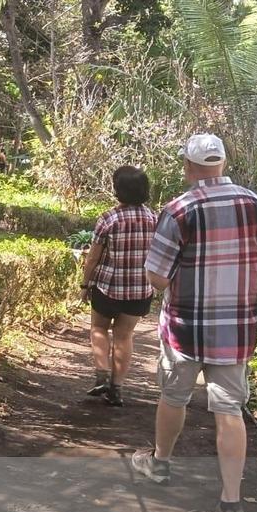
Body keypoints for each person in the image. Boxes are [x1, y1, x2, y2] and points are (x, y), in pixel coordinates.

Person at [131, 133, 257, 512]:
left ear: (188, 167)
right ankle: (232, 504)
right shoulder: (255, 204)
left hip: (185, 328)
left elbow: (158, 279)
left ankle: (160, 464)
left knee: (174, 395)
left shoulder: (179, 210)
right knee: (229, 410)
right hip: (236, 328)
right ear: (224, 164)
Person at [79, 165, 157, 407]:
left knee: (99, 329)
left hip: (107, 286)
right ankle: (117, 389)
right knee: (124, 336)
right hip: (140, 289)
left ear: (118, 190)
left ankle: (101, 373)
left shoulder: (109, 218)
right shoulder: (155, 219)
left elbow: (93, 257)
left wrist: (85, 284)